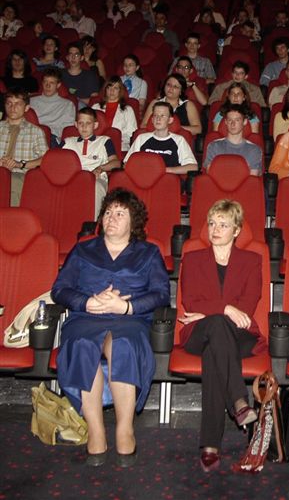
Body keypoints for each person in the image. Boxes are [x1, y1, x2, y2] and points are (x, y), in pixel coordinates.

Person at [52, 188, 170, 467]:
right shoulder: (83, 249)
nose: (111, 218)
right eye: (107, 212)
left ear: (133, 222)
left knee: (123, 344)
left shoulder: (149, 252)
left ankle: (125, 429)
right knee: (82, 344)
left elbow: (161, 294)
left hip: (130, 319)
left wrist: (126, 307)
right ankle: (96, 431)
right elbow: (60, 289)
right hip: (86, 317)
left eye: (120, 213)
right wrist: (87, 302)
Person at [179, 200, 265, 472]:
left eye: (223, 225)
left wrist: (212, 310)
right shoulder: (192, 259)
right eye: (212, 224)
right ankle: (239, 401)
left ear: (237, 230)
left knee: (214, 347)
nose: (215, 230)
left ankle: (210, 445)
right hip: (198, 333)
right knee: (217, 325)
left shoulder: (252, 261)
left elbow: (247, 306)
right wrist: (226, 308)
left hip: (239, 335)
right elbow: (191, 301)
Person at [60, 107, 120, 215]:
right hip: (72, 178)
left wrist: (101, 168)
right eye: (81, 123)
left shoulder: (104, 141)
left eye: (88, 123)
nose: (84, 127)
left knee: (95, 187)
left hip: (96, 177)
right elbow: (53, 159)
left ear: (95, 125)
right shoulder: (68, 142)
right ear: (76, 124)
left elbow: (116, 163)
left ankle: (94, 222)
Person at [0, 90, 49, 206]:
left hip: (20, 174)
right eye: (9, 103)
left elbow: (45, 159)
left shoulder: (36, 132)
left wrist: (20, 164)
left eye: (18, 104)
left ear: (26, 108)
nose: (13, 107)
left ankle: (10, 216)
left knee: (13, 181)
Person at [124, 102, 198, 175]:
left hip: (166, 179)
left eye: (162, 116)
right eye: (155, 115)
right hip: (143, 177)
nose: (158, 119)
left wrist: (163, 170)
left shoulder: (179, 140)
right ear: (152, 119)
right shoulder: (141, 138)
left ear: (170, 120)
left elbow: (193, 167)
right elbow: (126, 163)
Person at [204, 105, 262, 175]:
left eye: (237, 120)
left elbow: (252, 178)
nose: (233, 124)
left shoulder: (254, 149)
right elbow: (211, 174)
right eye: (230, 120)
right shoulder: (214, 146)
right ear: (226, 122)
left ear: (244, 122)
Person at [30, 68, 77, 146]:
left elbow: (67, 129)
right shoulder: (31, 101)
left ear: (58, 85)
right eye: (45, 82)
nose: (48, 86)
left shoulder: (67, 104)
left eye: (51, 83)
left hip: (52, 137)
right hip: (32, 135)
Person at [92, 76, 138, 155]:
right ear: (105, 90)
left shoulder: (128, 110)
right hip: (97, 146)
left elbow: (132, 133)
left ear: (120, 91)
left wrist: (117, 140)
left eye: (115, 88)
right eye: (109, 87)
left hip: (120, 146)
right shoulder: (95, 107)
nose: (112, 91)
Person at [61, 42, 100, 106]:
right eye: (71, 54)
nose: (73, 57)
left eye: (76, 55)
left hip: (82, 107)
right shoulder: (60, 74)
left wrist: (76, 100)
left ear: (82, 58)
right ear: (67, 57)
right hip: (62, 106)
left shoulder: (90, 76)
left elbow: (94, 101)